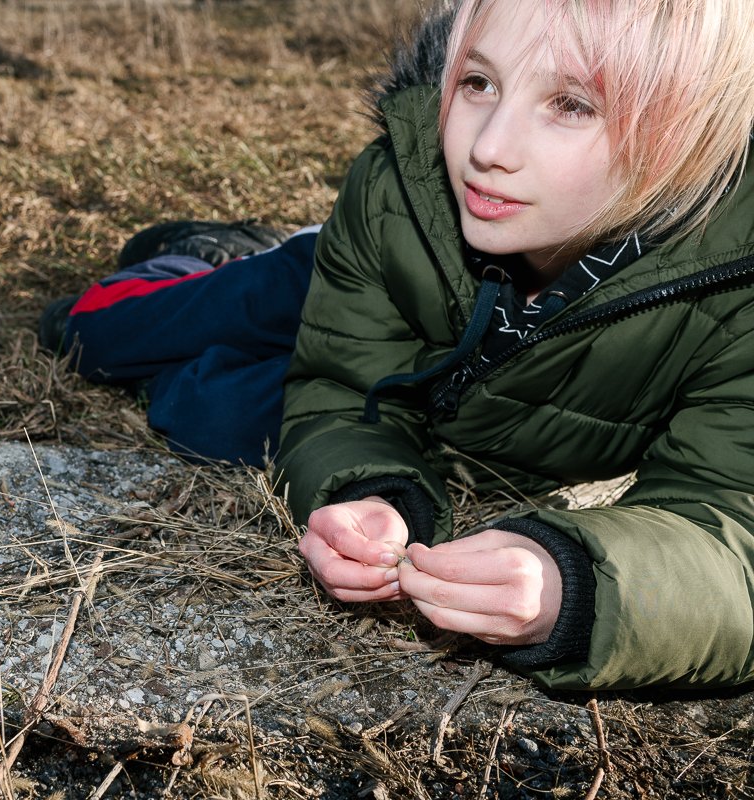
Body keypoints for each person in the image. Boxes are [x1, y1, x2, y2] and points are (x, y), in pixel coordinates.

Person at [43, 0, 754, 691]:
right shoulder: (397, 192)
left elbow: (732, 530)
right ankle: (206, 257)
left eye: (571, 104)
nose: (487, 149)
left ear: (693, 127)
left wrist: (580, 586)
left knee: (212, 415)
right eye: (478, 83)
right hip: (360, 267)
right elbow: (344, 381)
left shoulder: (736, 283)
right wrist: (372, 480)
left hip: (446, 402)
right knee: (90, 335)